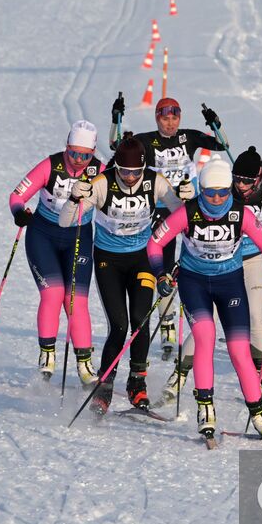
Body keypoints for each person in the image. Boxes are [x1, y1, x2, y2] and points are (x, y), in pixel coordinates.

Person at [148, 159, 262, 443]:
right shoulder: (188, 212)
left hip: (230, 284)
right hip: (194, 283)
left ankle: (259, 416)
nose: (216, 198)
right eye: (210, 192)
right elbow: (155, 243)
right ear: (201, 188)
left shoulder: (241, 213)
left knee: (239, 351)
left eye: (222, 192)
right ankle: (206, 410)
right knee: (205, 336)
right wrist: (161, 275)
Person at [58, 132, 181, 412]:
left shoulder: (154, 181)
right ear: (117, 168)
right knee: (119, 325)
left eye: (135, 172)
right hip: (108, 262)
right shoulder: (102, 184)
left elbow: (182, 217)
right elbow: (66, 223)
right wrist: (74, 199)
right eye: (124, 171)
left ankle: (137, 384)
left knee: (140, 319)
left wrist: (185, 200)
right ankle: (105, 389)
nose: (129, 177)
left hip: (142, 259)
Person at [167, 146, 262, 405]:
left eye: (247, 181)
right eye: (237, 179)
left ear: (259, 179)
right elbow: (191, 195)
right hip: (216, 265)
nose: (241, 185)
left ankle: (260, 375)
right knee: (206, 323)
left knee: (256, 317)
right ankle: (180, 373)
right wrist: (182, 193)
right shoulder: (221, 189)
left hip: (250, 261)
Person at [111, 94, 227, 358]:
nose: (171, 123)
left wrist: (216, 123)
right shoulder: (145, 139)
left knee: (181, 265)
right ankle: (167, 321)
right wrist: (115, 120)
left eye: (175, 117)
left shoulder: (189, 137)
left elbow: (223, 145)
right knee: (160, 266)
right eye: (165, 117)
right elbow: (117, 148)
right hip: (156, 211)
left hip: (186, 208)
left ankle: (173, 317)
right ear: (157, 118)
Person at [9, 121, 105, 382]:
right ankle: (47, 353)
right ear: (66, 147)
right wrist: (20, 213)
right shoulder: (50, 165)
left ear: (93, 152)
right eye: (73, 153)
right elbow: (17, 196)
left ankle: (84, 363)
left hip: (79, 237)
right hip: (43, 235)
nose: (78, 160)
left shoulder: (99, 171)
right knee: (53, 294)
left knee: (76, 300)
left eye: (85, 155)